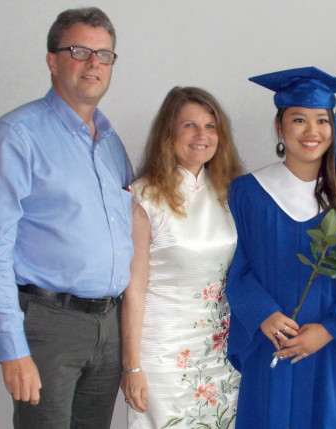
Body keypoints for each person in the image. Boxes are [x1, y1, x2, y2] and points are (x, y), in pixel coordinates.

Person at [0, 7, 133, 429]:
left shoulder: (112, 144)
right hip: (49, 327)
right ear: (52, 59)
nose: (94, 64)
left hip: (108, 325)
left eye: (104, 55)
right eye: (80, 51)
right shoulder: (17, 135)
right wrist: (12, 349)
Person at [226, 67, 336, 429]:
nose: (312, 131)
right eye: (299, 119)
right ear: (280, 126)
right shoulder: (248, 193)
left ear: (334, 127)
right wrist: (263, 314)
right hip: (273, 342)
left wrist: (330, 329)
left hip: (333, 349)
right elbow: (234, 265)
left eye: (322, 120)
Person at [120, 86, 243, 428]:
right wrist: (132, 366)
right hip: (161, 354)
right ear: (168, 133)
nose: (201, 135)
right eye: (189, 125)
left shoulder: (232, 193)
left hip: (221, 352)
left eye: (210, 126)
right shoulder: (144, 197)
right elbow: (134, 288)